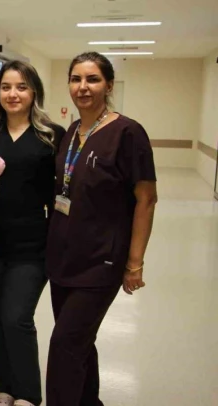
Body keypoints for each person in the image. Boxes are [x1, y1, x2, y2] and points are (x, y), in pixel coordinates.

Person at [45, 51, 157, 406]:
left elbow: (146, 199)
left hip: (101, 261)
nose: (83, 87)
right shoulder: (71, 132)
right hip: (63, 259)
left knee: (64, 345)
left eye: (92, 79)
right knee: (80, 343)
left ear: (109, 85)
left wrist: (134, 263)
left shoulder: (128, 133)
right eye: (76, 79)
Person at [0, 60, 66, 406]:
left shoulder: (51, 135)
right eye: (6, 87)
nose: (13, 94)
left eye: (21, 87)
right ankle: (5, 387)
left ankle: (28, 393)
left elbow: (63, 191)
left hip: (33, 244)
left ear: (34, 92)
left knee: (16, 318)